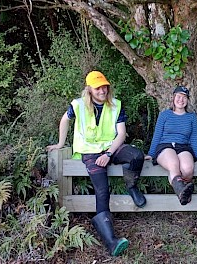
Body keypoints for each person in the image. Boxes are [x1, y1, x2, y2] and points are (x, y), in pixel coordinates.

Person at [46, 71, 147, 256]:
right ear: (89, 89)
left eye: (104, 86)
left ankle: (131, 186)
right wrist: (60, 144)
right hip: (89, 151)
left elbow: (121, 133)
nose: (102, 90)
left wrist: (109, 153)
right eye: (98, 87)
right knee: (102, 190)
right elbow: (64, 120)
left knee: (136, 156)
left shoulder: (116, 105)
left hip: (111, 147)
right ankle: (111, 242)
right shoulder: (78, 105)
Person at [145, 86, 197, 205]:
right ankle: (182, 192)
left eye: (184, 97)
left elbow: (193, 138)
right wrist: (151, 154)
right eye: (178, 96)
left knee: (188, 169)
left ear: (187, 100)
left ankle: (183, 190)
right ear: (173, 98)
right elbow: (157, 135)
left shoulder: (191, 117)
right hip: (165, 146)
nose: (181, 100)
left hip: (183, 146)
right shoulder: (165, 114)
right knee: (173, 164)